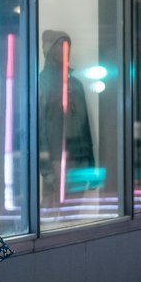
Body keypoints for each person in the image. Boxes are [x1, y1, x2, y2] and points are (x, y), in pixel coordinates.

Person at [37, 29, 95, 206]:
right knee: (54, 221)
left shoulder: (76, 86)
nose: (65, 51)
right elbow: (39, 131)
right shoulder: (41, 83)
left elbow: (85, 129)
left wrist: (90, 168)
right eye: (60, 47)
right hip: (56, 164)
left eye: (67, 47)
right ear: (50, 51)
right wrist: (47, 172)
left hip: (78, 163)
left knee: (73, 220)